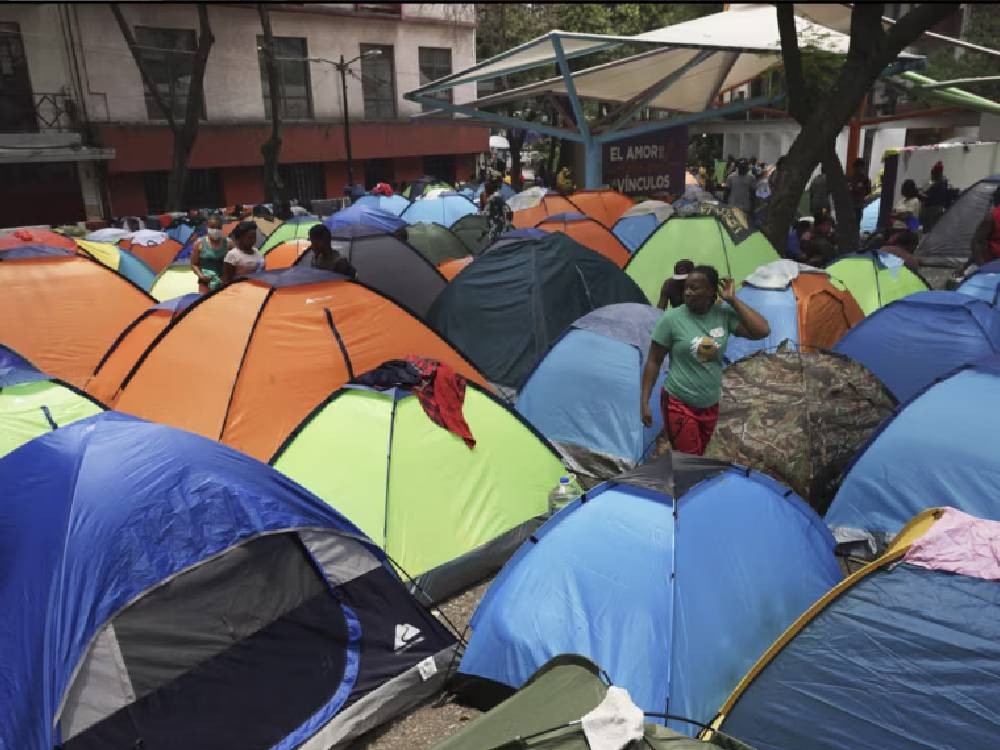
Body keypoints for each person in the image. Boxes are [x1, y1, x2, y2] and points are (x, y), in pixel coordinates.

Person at [640, 265, 770, 457]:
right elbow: (653, 360)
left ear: (710, 291)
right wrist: (644, 401)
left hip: (710, 402)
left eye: (694, 288)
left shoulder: (723, 315)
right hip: (679, 401)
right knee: (689, 458)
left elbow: (762, 331)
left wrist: (733, 300)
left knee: (699, 454)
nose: (687, 293)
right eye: (686, 287)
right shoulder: (671, 319)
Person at [190, 214, 229, 294]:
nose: (215, 230)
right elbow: (194, 264)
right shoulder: (199, 243)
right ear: (207, 227)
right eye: (212, 227)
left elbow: (233, 263)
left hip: (224, 283)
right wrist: (201, 275)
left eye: (218, 227)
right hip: (205, 284)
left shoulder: (228, 243)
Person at [971, 186, 1000, 267]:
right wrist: (983, 267)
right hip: (993, 265)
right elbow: (977, 242)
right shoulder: (992, 217)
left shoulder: (991, 217)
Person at [481, 177, 512, 245]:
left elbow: (508, 210)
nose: (485, 190)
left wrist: (506, 224)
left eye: (486, 188)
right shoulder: (490, 199)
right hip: (492, 229)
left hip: (497, 229)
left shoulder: (495, 199)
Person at [921, 161, 951, 231]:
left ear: (936, 173)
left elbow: (930, 197)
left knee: (929, 231)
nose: (932, 175)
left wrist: (920, 195)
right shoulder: (944, 183)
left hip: (932, 209)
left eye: (933, 173)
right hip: (938, 208)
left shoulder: (938, 184)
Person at [847, 158, 872, 224]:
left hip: (853, 204)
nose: (859, 169)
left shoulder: (850, 177)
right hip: (856, 204)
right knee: (856, 222)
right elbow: (868, 191)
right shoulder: (864, 178)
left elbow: (868, 191)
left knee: (853, 222)